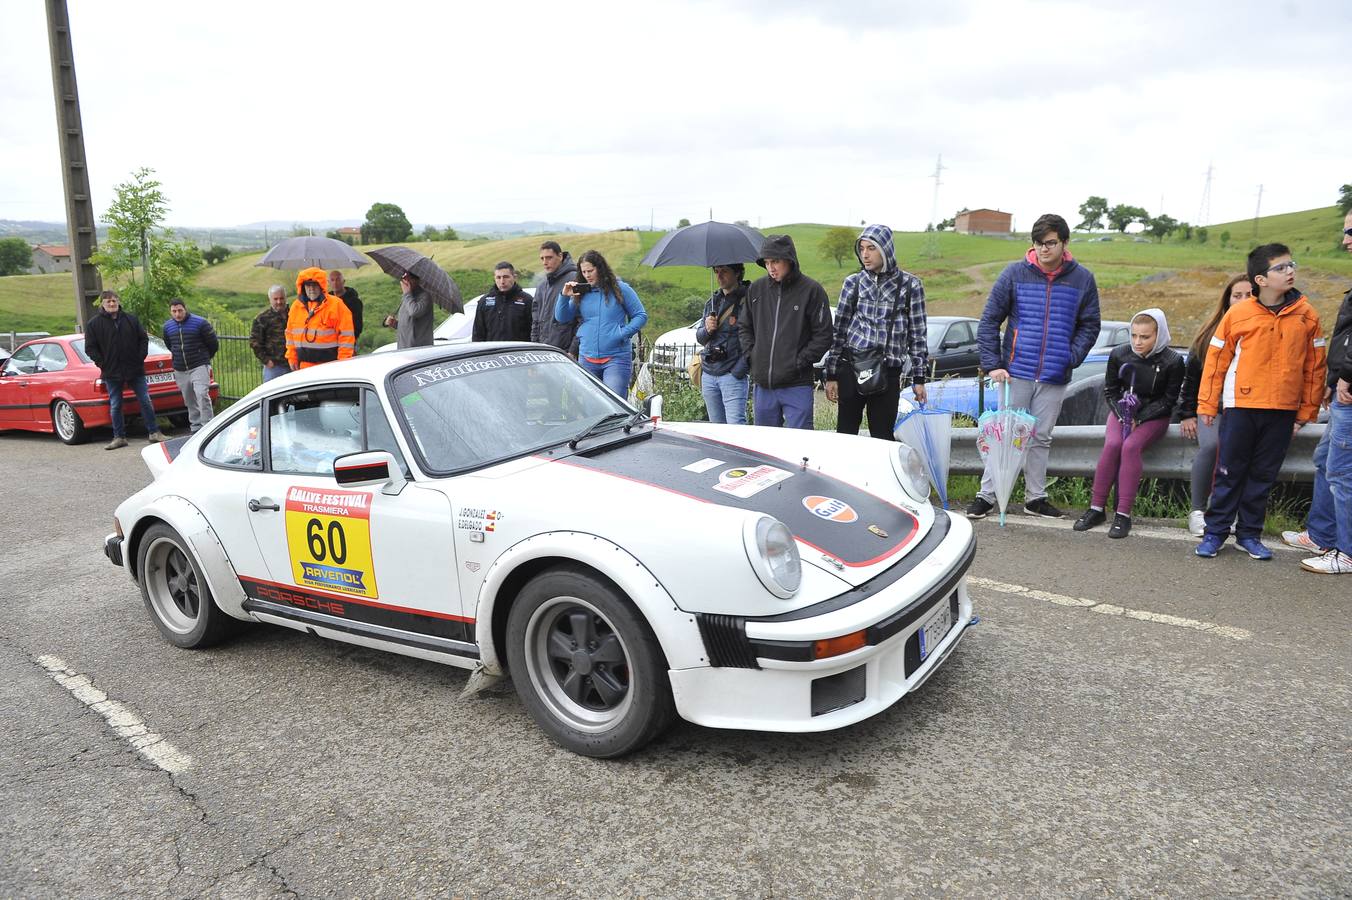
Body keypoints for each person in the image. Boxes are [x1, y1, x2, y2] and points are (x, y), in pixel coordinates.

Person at [1195, 243, 1327, 559]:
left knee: (1262, 477)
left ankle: (1249, 535)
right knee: (1229, 472)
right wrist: (1207, 404)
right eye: (1280, 267)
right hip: (1241, 407)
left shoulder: (1307, 315)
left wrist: (1306, 412)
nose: (1290, 271)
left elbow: (1315, 366)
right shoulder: (1238, 314)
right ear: (1261, 280)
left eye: (1291, 265)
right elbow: (1216, 361)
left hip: (1282, 410)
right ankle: (1215, 533)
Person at [967, 214, 1101, 519]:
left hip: (1055, 374)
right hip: (1015, 373)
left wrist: (1071, 356)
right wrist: (993, 365)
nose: (1044, 249)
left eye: (1050, 243)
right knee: (1005, 435)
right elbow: (989, 320)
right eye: (1039, 243)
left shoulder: (1083, 280)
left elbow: (1090, 325)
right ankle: (988, 495)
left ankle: (1035, 498)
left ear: (1065, 243)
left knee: (1041, 437)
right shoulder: (1014, 274)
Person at [1281, 212, 1352, 574]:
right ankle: (1322, 534)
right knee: (1326, 461)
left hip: (1350, 393)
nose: (1345, 240)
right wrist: (1332, 376)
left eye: (1351, 232)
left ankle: (1346, 552)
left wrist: (1348, 375)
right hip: (1342, 390)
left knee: (1342, 472)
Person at [1074, 309, 1183, 538]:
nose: (1137, 342)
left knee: (1131, 447)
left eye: (1145, 337)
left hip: (1154, 416)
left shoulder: (1173, 361)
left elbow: (1168, 401)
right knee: (1113, 445)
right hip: (1124, 410)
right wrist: (1125, 415)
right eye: (1134, 335)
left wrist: (1140, 419)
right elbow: (1110, 390)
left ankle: (1123, 514)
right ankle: (1096, 508)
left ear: (1158, 335)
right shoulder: (1119, 354)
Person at [823, 224, 928, 439]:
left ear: (886, 250)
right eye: (861, 249)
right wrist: (831, 374)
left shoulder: (910, 286)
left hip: (888, 371)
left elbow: (918, 335)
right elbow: (839, 330)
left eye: (871, 248)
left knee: (883, 437)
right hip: (853, 367)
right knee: (845, 435)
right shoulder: (853, 283)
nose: (865, 255)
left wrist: (919, 378)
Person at [1176, 276, 1252, 535]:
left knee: (1237, 451)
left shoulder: (1260, 330)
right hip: (1210, 406)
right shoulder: (1211, 333)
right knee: (1211, 445)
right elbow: (1191, 377)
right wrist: (1186, 413)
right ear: (1227, 299)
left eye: (1249, 295)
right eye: (1237, 295)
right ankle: (1197, 510)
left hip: (1244, 406)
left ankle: (1221, 510)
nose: (1242, 300)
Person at [738, 235, 833, 429]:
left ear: (789, 260)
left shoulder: (812, 291)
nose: (771, 268)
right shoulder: (756, 290)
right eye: (766, 262)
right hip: (764, 385)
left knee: (800, 448)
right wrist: (753, 356)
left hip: (797, 384)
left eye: (775, 261)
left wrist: (798, 362)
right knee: (765, 447)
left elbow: (824, 336)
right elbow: (744, 327)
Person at [82, 290, 168, 449]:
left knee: (145, 400)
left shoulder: (131, 320)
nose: (112, 304)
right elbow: (90, 348)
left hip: (134, 368)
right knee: (115, 404)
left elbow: (143, 339)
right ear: (102, 304)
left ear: (119, 302)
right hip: (111, 371)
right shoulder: (94, 324)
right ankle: (119, 437)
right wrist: (102, 363)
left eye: (114, 301)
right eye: (108, 301)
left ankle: (154, 432)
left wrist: (140, 357)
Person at [554, 250, 647, 395]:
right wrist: (564, 296)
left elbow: (640, 316)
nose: (587, 275)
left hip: (616, 358)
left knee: (616, 405)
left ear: (600, 268)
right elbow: (562, 317)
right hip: (587, 357)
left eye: (590, 270)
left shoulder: (620, 289)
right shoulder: (582, 292)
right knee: (592, 407)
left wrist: (622, 333)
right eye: (583, 272)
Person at [693, 264, 752, 423]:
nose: (719, 276)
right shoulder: (712, 302)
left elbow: (756, 340)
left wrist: (738, 370)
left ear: (737, 272)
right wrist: (707, 329)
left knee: (735, 428)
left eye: (724, 271)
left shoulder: (748, 301)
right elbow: (700, 338)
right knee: (716, 430)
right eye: (716, 271)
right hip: (709, 373)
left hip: (732, 374)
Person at [162, 298, 219, 433]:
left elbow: (213, 344)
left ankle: (207, 426)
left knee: (201, 394)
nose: (177, 314)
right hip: (180, 368)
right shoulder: (167, 327)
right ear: (170, 312)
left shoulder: (200, 323)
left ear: (185, 309)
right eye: (174, 311)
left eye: (180, 310)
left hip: (199, 365)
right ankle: (195, 426)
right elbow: (170, 345)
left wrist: (204, 358)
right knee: (189, 399)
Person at [286, 267, 357, 369]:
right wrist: (292, 357)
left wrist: (343, 363)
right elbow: (290, 334)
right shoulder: (296, 307)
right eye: (308, 285)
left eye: (315, 284)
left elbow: (346, 336)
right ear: (302, 287)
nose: (311, 288)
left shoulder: (336, 305)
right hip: (304, 367)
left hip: (331, 366)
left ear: (321, 286)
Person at [532, 241, 579, 353]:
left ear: (560, 256)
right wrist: (534, 347)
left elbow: (581, 319)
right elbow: (536, 320)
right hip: (543, 350)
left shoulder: (575, 279)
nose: (545, 262)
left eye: (549, 258)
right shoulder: (542, 284)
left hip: (565, 352)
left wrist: (573, 350)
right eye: (542, 258)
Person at [472, 261, 533, 343]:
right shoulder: (484, 302)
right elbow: (477, 334)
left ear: (514, 277)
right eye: (498, 277)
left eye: (506, 277)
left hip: (519, 353)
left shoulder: (527, 300)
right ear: (494, 278)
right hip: (492, 352)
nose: (502, 281)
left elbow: (534, 331)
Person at [382, 271, 434, 349]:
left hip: (419, 349)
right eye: (404, 278)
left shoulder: (425, 296)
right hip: (404, 347)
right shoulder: (408, 296)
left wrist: (407, 294)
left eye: (408, 278)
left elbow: (414, 312)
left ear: (416, 280)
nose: (404, 281)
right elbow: (409, 324)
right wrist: (395, 324)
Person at [250, 284, 291, 382]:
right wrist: (266, 361)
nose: (279, 302)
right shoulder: (262, 318)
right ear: (270, 300)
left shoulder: (294, 314)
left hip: (294, 365)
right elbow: (254, 342)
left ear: (285, 298)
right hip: (274, 367)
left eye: (281, 298)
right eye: (275, 299)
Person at [328, 270, 363, 342]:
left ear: (343, 281)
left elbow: (357, 326)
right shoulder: (325, 301)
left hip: (347, 342)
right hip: (329, 343)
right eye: (332, 280)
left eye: (338, 280)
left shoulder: (354, 302)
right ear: (328, 283)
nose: (335, 283)